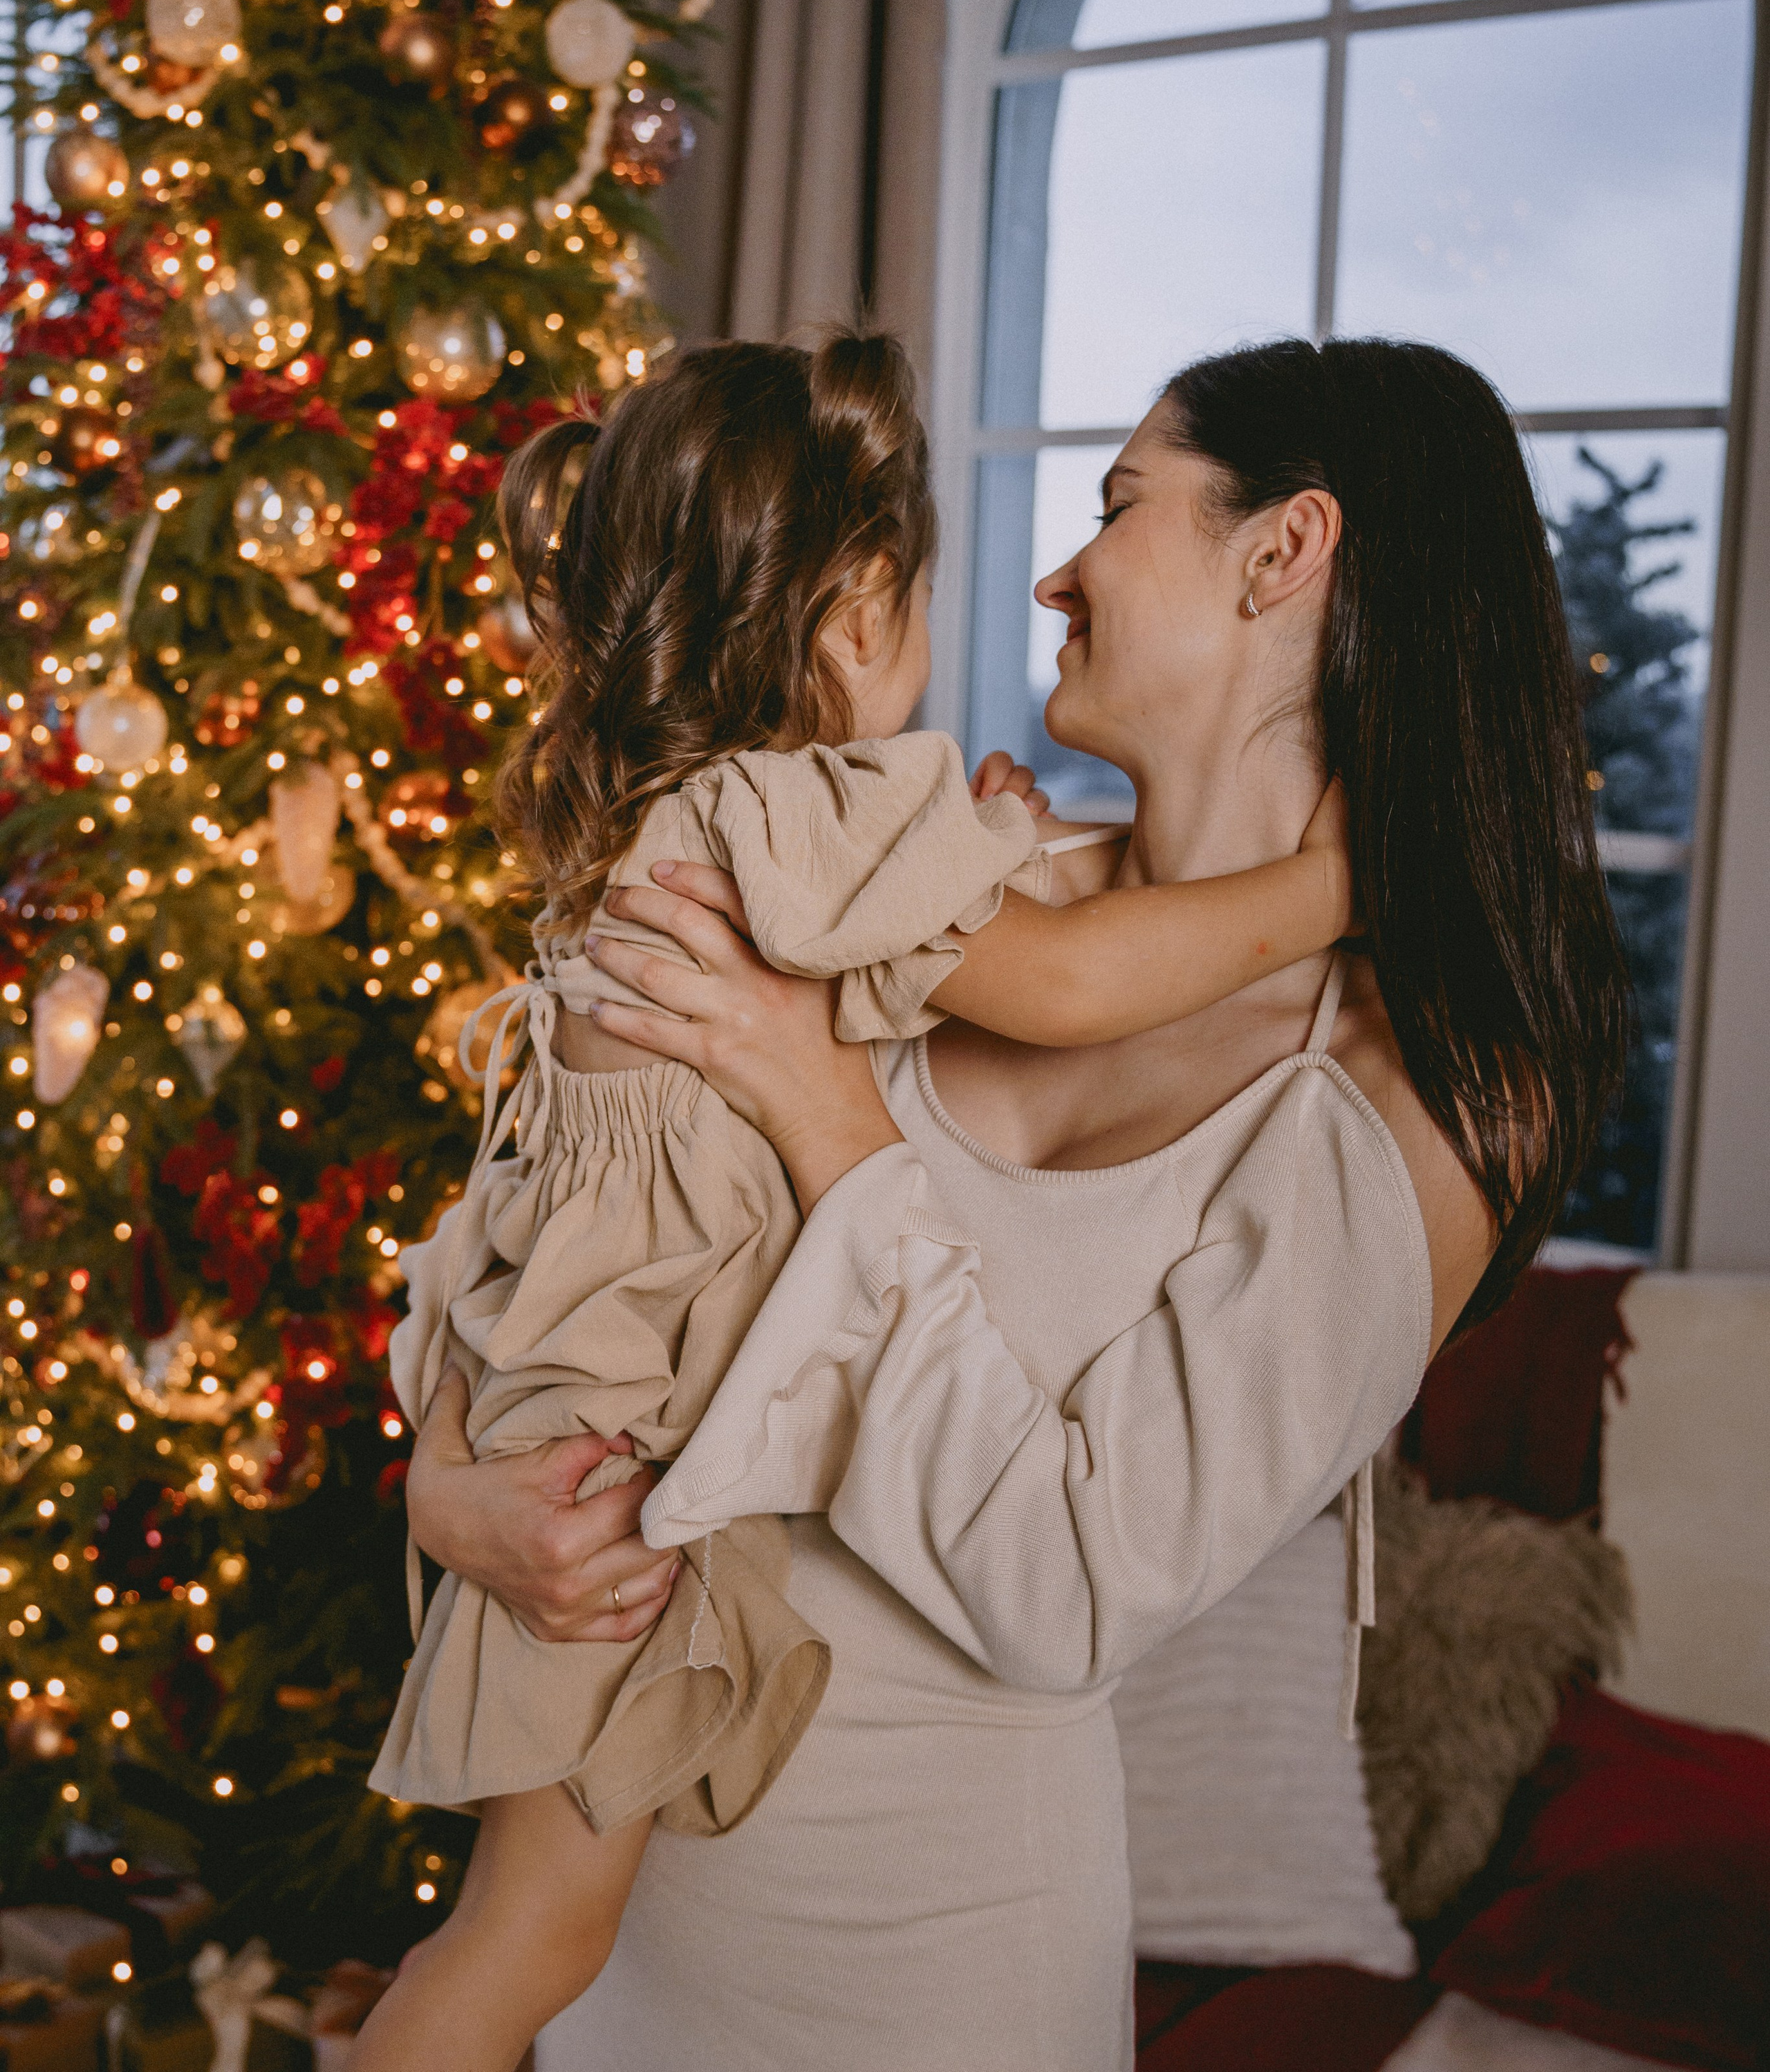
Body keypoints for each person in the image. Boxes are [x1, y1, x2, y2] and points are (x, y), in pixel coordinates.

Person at [404, 335, 1630, 2072]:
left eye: (1119, 508)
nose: (1055, 572)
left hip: (922, 1973)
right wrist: (452, 1477)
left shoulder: (1417, 1097)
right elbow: (555, 1209)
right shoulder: (972, 879)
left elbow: (1068, 1583)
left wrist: (842, 1129)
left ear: (1282, 554)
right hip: (614, 1911)